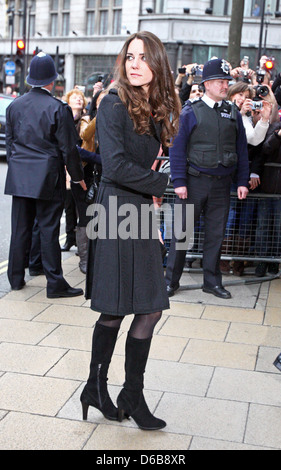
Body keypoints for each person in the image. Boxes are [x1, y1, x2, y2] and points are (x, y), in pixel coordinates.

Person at [80, 31, 181, 430]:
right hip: (116, 210)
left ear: (157, 64)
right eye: (130, 56)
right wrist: (165, 185)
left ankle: (128, 394)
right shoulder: (112, 104)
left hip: (137, 209)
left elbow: (143, 164)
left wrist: (158, 184)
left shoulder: (153, 107)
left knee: (150, 306)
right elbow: (117, 166)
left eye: (143, 57)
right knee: (116, 307)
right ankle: (98, 387)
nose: (134, 63)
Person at [165, 58, 249, 299]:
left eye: (226, 81)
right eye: (221, 82)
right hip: (193, 183)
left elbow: (241, 148)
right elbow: (177, 148)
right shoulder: (191, 111)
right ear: (208, 84)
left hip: (222, 185)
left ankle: (211, 282)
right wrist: (179, 182)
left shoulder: (232, 112)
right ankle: (171, 281)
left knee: (215, 236)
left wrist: (242, 180)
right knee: (181, 235)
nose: (226, 86)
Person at [5, 52, 86, 297]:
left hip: (20, 176)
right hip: (48, 177)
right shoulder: (57, 108)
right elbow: (68, 150)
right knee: (49, 229)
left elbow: (10, 145)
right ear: (51, 81)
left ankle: (16, 278)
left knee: (20, 229)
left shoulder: (14, 105)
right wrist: (78, 176)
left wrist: (18, 167)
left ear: (30, 79)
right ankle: (54, 284)